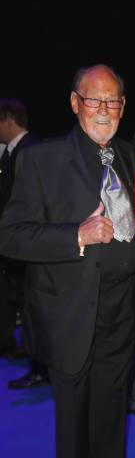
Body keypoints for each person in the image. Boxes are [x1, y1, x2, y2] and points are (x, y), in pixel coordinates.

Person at [0, 65, 135, 458]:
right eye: (94, 100)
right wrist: (75, 235)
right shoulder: (41, 159)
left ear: (123, 107)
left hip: (123, 314)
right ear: (74, 102)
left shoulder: (128, 155)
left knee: (111, 418)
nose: (104, 110)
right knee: (75, 427)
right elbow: (11, 235)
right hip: (70, 319)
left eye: (113, 102)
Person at [0, 99, 38, 361]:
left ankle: (35, 355)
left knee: (31, 297)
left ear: (8, 120)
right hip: (17, 238)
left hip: (28, 238)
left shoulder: (32, 150)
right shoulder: (10, 152)